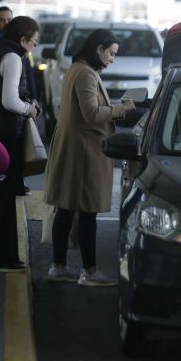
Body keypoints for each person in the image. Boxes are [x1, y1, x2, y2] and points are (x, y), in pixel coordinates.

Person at [43, 29, 135, 287]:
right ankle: (89, 272)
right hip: (84, 153)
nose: (112, 59)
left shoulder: (77, 68)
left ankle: (58, 266)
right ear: (99, 49)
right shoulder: (85, 73)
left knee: (66, 209)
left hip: (75, 149)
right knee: (86, 212)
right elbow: (91, 113)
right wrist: (122, 110)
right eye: (111, 53)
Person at [0, 16, 39, 271]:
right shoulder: (13, 58)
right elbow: (10, 101)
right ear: (22, 39)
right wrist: (29, 109)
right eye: (33, 42)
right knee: (6, 194)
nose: (33, 47)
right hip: (6, 134)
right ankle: (5, 258)